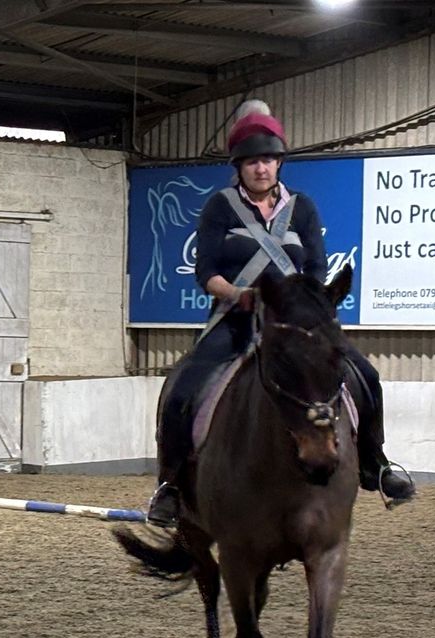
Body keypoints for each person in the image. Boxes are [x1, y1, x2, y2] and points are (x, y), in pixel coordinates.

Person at [147, 99, 415, 528]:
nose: (261, 168)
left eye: (269, 160)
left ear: (279, 163)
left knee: (366, 375)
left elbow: (316, 270)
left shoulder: (302, 208)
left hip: (296, 322)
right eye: (252, 161)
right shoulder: (220, 207)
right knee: (182, 388)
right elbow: (206, 273)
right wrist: (239, 294)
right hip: (236, 317)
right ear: (239, 166)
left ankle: (376, 464)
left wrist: (300, 305)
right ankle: (171, 484)